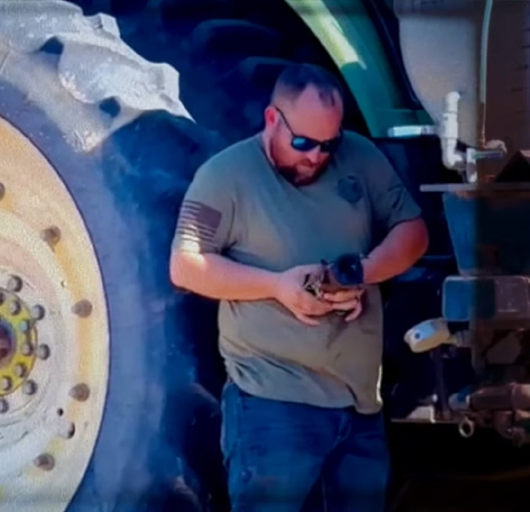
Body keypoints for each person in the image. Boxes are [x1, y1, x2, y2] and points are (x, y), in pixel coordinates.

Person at [169, 62, 429, 512]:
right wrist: (278, 286)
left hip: (360, 407)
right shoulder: (225, 175)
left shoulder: (360, 157)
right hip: (273, 409)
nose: (315, 157)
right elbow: (185, 265)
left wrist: (364, 273)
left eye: (328, 145)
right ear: (272, 120)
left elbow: (414, 232)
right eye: (303, 143)